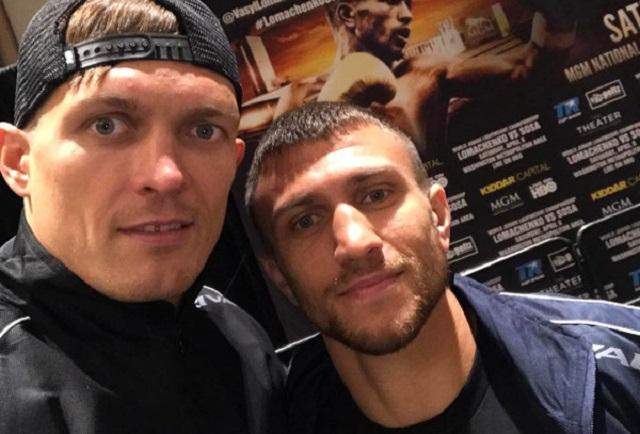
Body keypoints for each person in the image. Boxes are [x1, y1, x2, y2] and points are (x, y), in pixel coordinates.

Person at [245, 101, 640, 433]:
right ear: (280, 276)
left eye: (376, 195)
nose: (355, 242)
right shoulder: (269, 423)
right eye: (305, 221)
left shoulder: (624, 361)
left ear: (438, 216)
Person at [0, 0, 283, 433]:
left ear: (234, 160)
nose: (166, 176)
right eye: (106, 125)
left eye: (204, 131)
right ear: (18, 161)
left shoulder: (238, 339)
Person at [278, 0, 577, 161]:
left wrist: (559, 16)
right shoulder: (300, 96)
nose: (407, 14)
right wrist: (333, 106)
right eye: (393, 1)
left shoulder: (425, 71)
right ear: (347, 14)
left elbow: (527, 71)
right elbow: (285, 186)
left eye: (409, 3)